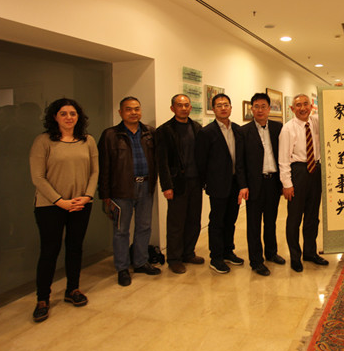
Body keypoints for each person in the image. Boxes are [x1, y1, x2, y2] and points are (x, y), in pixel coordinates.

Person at [29, 98, 98, 322]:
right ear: (55, 117)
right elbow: (38, 177)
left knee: (75, 248)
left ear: (79, 117)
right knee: (49, 251)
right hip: (50, 206)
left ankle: (72, 290)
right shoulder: (43, 141)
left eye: (73, 113)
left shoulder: (87, 140)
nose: (69, 117)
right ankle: (42, 299)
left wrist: (87, 196)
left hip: (80, 204)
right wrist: (60, 201)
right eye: (63, 113)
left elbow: (94, 172)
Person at [98, 96, 161, 287]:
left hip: (146, 186)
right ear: (120, 112)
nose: (133, 112)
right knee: (121, 230)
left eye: (136, 109)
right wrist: (105, 194)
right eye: (128, 109)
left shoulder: (149, 133)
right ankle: (122, 267)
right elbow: (104, 166)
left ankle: (141, 262)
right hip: (121, 189)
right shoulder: (110, 135)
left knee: (144, 226)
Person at [195, 93, 246, 274]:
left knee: (231, 219)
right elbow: (201, 161)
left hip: (235, 183)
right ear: (213, 109)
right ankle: (216, 257)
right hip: (217, 184)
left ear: (231, 108)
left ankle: (228, 251)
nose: (223, 108)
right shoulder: (206, 132)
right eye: (219, 105)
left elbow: (241, 159)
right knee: (217, 221)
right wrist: (206, 183)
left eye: (226, 105)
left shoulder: (238, 130)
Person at [279, 94, 328, 272]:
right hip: (298, 172)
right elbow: (283, 159)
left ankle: (310, 252)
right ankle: (295, 256)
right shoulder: (288, 129)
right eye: (298, 105)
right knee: (294, 218)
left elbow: (331, 110)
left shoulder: (316, 122)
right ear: (292, 109)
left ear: (311, 106)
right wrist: (287, 184)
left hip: (315, 171)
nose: (302, 108)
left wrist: (335, 91)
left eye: (306, 104)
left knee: (312, 217)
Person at [156, 94, 204, 274]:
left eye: (186, 105)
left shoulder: (197, 128)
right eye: (179, 105)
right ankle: (174, 258)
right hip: (177, 184)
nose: (183, 108)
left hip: (196, 182)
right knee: (176, 223)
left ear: (190, 107)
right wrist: (166, 186)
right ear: (172, 108)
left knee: (194, 220)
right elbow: (162, 161)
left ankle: (188, 253)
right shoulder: (165, 130)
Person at [239, 93, 285, 276]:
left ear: (269, 109)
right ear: (252, 109)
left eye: (263, 106)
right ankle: (256, 261)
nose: (260, 110)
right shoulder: (243, 131)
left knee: (271, 221)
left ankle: (271, 253)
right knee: (254, 224)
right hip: (254, 184)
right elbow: (240, 163)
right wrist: (243, 185)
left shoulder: (278, 128)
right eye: (256, 106)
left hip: (273, 182)